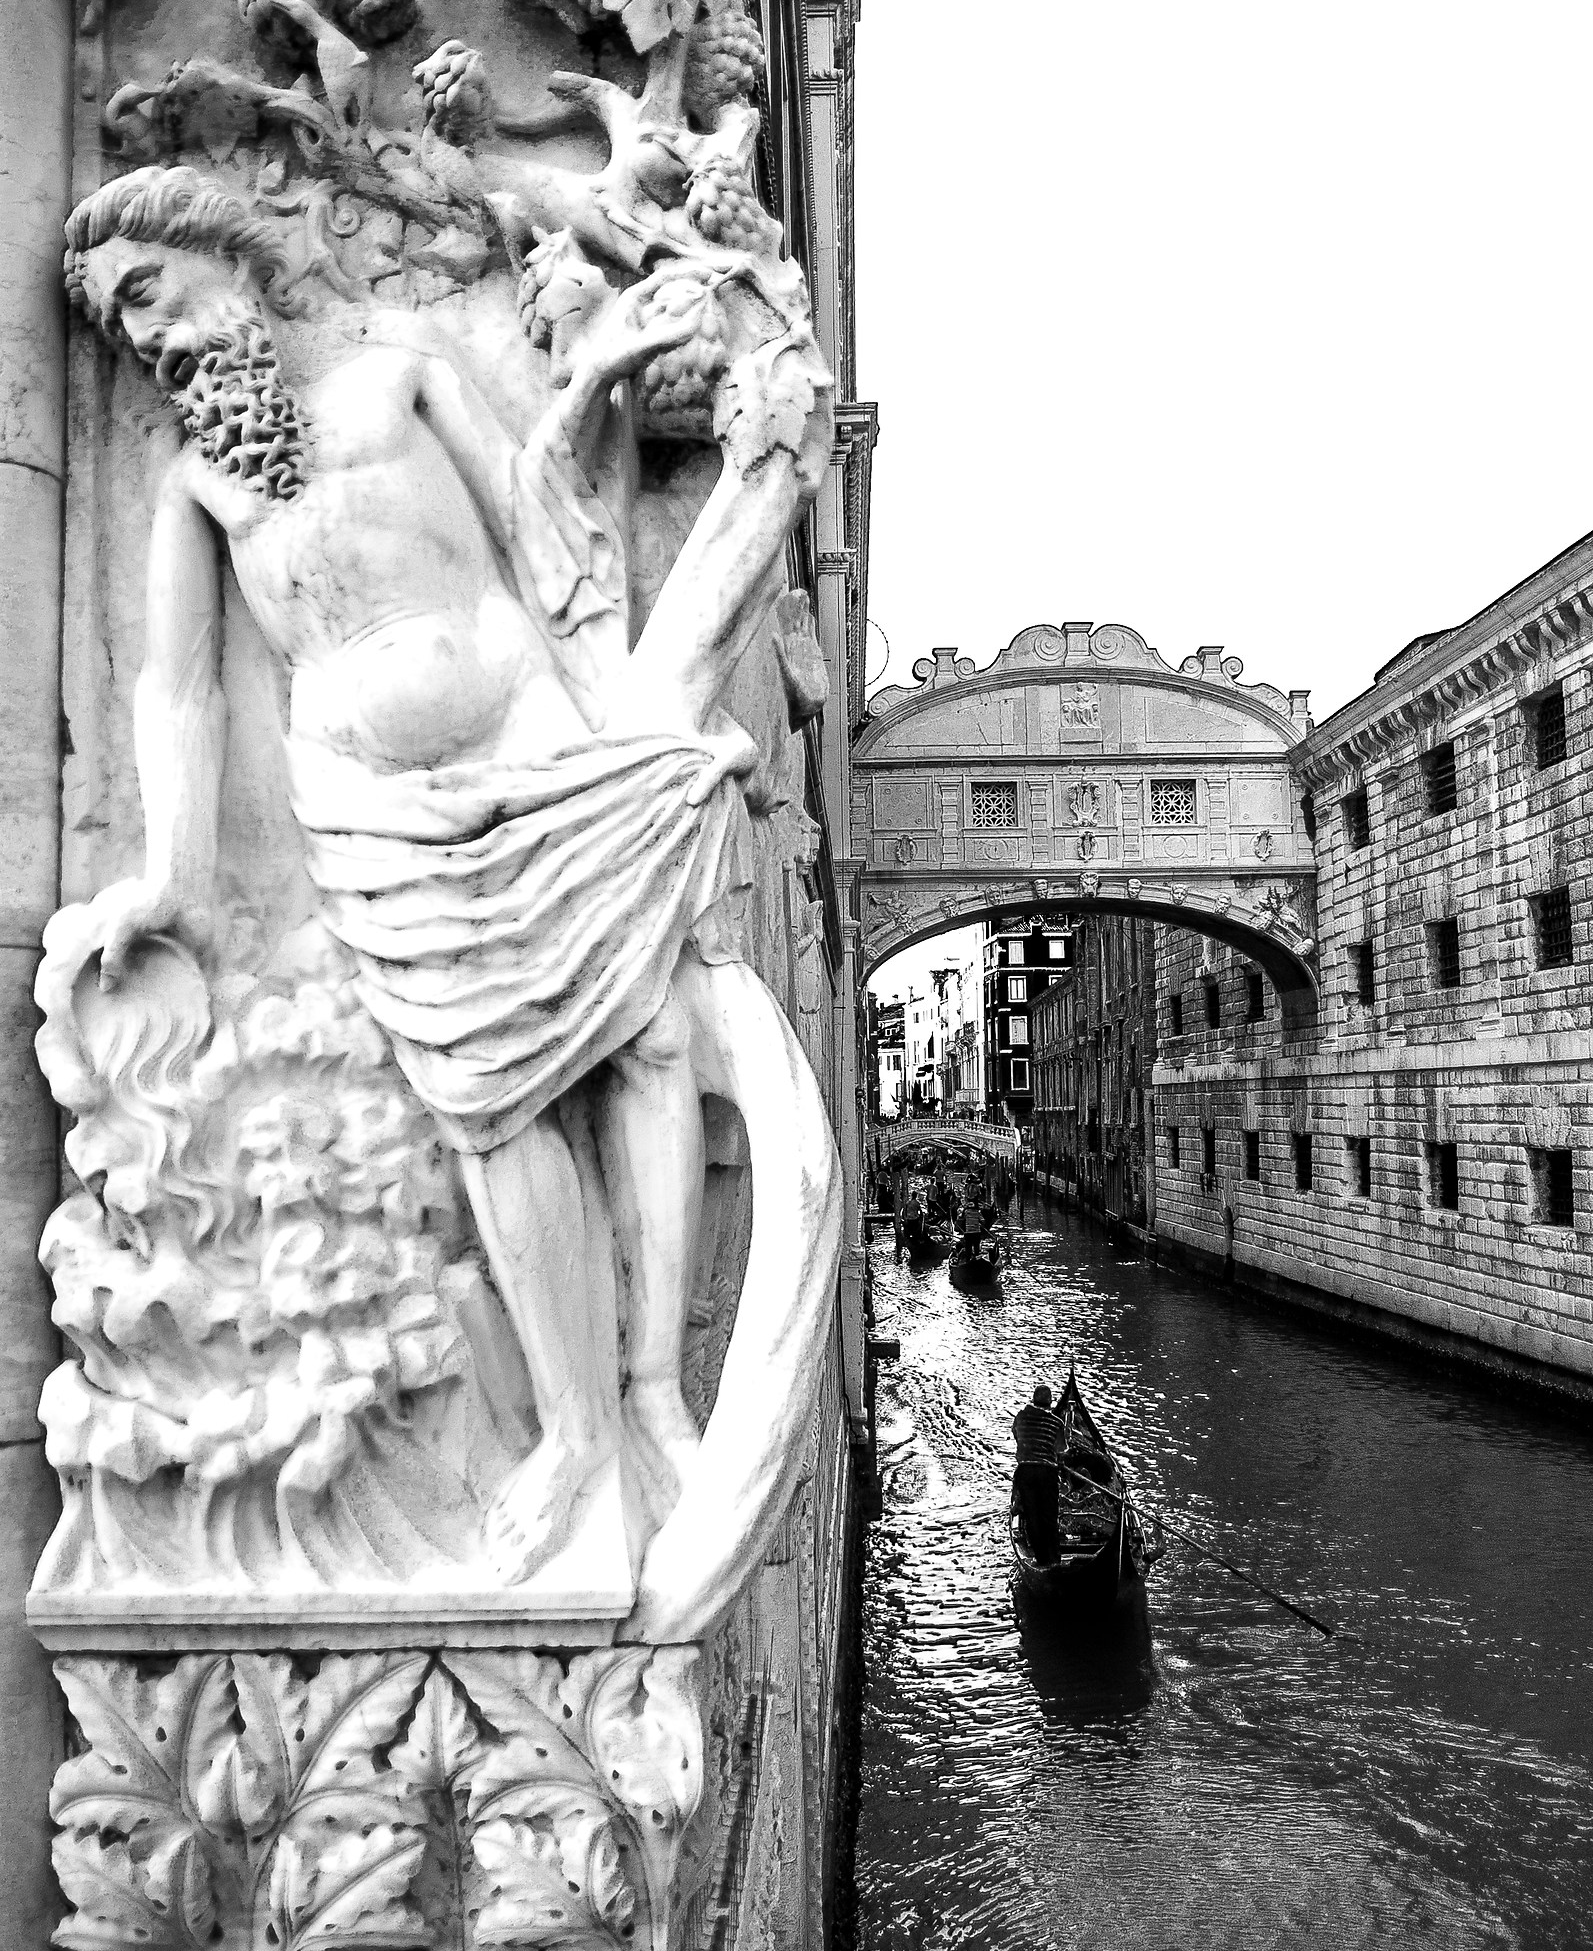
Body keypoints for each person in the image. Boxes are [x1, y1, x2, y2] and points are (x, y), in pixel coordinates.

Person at [61, 163, 831, 1589]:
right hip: (365, 810)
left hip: (528, 734)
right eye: (122, 331)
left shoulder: (400, 367)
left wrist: (598, 377)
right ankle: (573, 1431)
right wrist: (169, 873)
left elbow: (547, 529)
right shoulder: (193, 483)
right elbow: (178, 688)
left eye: (152, 295)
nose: (150, 340)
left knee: (642, 1033)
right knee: (486, 1101)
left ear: (222, 256)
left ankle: (653, 1389)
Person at [1012, 1380, 1061, 1561]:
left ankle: (1041, 1559)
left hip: (1025, 1470)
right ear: (1050, 1403)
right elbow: (1061, 1450)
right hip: (1047, 1472)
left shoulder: (1020, 1417)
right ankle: (1054, 1559)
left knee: (1032, 1516)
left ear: (1033, 1401)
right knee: (1049, 1516)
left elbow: (1016, 1436)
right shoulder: (1056, 1422)